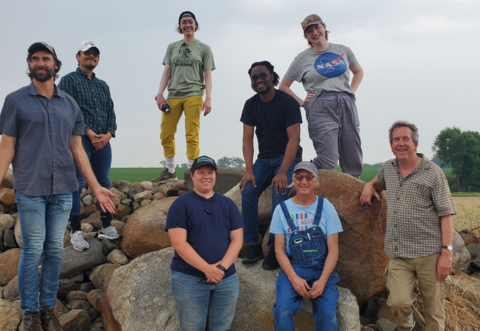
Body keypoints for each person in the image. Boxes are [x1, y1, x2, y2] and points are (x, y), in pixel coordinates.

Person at [0, 42, 116, 331]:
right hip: (31, 188)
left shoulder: (69, 104)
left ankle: (47, 308)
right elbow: (6, 148)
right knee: (32, 249)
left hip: (64, 188)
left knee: (53, 250)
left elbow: (78, 149)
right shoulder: (15, 101)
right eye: (35, 58)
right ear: (30, 64)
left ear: (55, 65)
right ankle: (29, 313)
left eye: (46, 58)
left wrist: (97, 186)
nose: (40, 62)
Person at [361, 121, 456, 331]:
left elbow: (446, 215)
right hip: (399, 254)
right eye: (396, 139)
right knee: (397, 303)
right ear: (391, 145)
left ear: (415, 143)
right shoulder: (388, 168)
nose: (401, 143)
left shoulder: (433, 173)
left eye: (405, 139)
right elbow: (377, 182)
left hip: (430, 254)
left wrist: (446, 254)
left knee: (434, 312)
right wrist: (368, 186)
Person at [279, 14, 364, 178]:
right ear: (306, 36)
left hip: (346, 103)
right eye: (309, 31)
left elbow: (358, 71)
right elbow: (283, 86)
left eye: (317, 27)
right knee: (328, 160)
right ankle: (300, 174)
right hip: (320, 105)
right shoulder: (302, 58)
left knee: (352, 155)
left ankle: (355, 197)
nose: (314, 32)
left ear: (324, 27)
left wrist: (351, 92)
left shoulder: (343, 50)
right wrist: (302, 103)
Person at [166, 155, 243, 331]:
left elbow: (237, 240)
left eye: (210, 172)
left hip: (226, 279)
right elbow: (179, 243)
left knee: (222, 327)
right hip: (189, 279)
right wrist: (207, 269)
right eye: (201, 172)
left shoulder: (228, 204)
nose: (206, 176)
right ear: (192, 176)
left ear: (216, 175)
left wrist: (221, 269)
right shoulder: (180, 205)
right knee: (192, 328)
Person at [240, 61, 302, 270]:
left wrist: (283, 171)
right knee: (248, 192)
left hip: (288, 157)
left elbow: (294, 140)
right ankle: (252, 245)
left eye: (263, 75)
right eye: (254, 77)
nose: (259, 80)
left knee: (279, 195)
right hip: (264, 159)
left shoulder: (288, 102)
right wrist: (249, 170)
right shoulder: (251, 105)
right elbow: (247, 140)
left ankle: (275, 248)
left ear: (272, 76)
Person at [58, 40, 119, 252]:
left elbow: (110, 112)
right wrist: (91, 133)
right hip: (80, 139)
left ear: (98, 59)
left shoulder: (103, 85)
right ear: (78, 56)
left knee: (103, 181)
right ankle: (75, 230)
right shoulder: (68, 81)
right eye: (87, 53)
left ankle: (107, 225)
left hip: (103, 141)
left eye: (95, 54)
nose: (91, 57)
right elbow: (68, 111)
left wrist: (109, 134)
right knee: (76, 182)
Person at [270, 161, 342, 330]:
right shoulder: (281, 210)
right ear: (293, 180)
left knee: (328, 315)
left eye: (309, 177)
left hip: (322, 269)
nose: (304, 181)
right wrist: (294, 278)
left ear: (316, 180)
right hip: (295, 267)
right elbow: (279, 250)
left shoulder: (326, 207)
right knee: (282, 309)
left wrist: (323, 280)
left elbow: (334, 249)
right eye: (300, 177)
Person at [154, 11, 215, 182]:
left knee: (192, 133)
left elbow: (208, 74)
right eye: (184, 22)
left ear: (196, 25)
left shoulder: (204, 48)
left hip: (194, 94)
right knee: (166, 132)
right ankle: (170, 169)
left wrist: (208, 98)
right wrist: (160, 93)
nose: (187, 25)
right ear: (180, 26)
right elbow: (167, 70)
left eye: (190, 22)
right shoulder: (172, 47)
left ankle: (190, 171)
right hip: (173, 94)